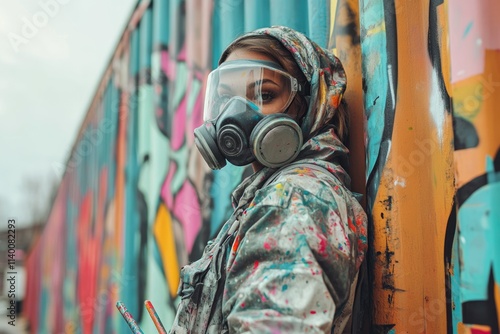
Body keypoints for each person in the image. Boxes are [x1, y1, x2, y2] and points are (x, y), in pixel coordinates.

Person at [171, 26, 367, 334]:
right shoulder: (270, 195)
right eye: (224, 98)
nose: (233, 114)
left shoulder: (296, 198)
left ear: (308, 105)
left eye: (265, 94)